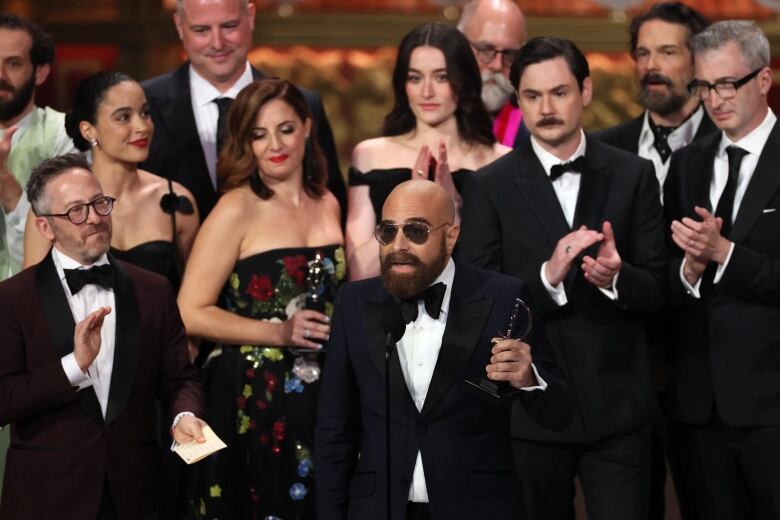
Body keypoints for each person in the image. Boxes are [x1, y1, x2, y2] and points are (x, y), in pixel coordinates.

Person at [457, 37, 666, 520]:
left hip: (620, 411)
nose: (546, 108)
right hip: (530, 414)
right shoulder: (490, 186)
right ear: (518, 101)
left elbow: (657, 290)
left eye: (559, 92)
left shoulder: (633, 175)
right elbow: (479, 304)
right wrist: (547, 277)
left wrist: (616, 278)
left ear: (586, 91)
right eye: (532, 96)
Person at [316, 179, 570, 520]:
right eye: (388, 231)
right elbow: (334, 428)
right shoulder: (353, 302)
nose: (398, 245)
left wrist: (529, 378)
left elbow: (560, 412)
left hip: (479, 508)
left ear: (451, 237)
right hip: (377, 508)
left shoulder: (504, 297)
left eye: (416, 232)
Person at [0, 153, 206, 519]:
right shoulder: (13, 299)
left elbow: (179, 379)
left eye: (99, 203)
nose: (94, 218)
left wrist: (184, 415)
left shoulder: (154, 290)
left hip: (137, 493)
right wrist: (72, 367)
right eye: (76, 211)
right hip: (48, 498)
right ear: (45, 227)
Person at [177, 78, 344, 519]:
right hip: (252, 396)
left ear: (307, 127)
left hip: (325, 392)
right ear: (244, 142)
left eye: (285, 129)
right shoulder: (235, 207)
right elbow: (189, 312)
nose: (274, 144)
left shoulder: (327, 200)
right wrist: (279, 332)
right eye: (258, 133)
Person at [664, 20, 780, 520]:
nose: (715, 98)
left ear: (763, 79)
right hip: (698, 407)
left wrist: (725, 253)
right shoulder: (687, 163)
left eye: (727, 83)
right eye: (704, 86)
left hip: (774, 409)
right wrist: (688, 269)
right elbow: (666, 276)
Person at [140, 0, 345, 223]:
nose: (217, 43)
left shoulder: (304, 104)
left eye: (229, 26)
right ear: (179, 25)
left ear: (250, 16)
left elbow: (329, 202)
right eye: (201, 30)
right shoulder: (143, 106)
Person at [346, 21, 509, 281]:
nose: (427, 91)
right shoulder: (369, 156)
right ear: (402, 84)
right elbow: (359, 273)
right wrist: (412, 209)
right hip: (386, 313)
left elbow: (495, 275)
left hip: (467, 313)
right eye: (415, 78)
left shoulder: (500, 161)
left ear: (463, 81)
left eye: (441, 77)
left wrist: (454, 207)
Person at [24, 71, 199, 291]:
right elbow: (29, 302)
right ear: (88, 130)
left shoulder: (178, 201)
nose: (142, 127)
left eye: (145, 113)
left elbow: (191, 301)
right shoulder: (52, 203)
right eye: (123, 117)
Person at [0, 12, 77, 494]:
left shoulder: (63, 135)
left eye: (12, 63)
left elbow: (64, 243)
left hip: (32, 334)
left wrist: (7, 184)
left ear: (42, 71)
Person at [594, 2, 714, 196]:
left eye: (667, 52)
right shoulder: (602, 149)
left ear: (698, 61)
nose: (651, 65)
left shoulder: (730, 147)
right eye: (643, 53)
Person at [458, 0, 529, 147]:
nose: (497, 65)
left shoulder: (534, 134)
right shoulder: (430, 117)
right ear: (459, 46)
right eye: (485, 49)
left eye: (509, 54)